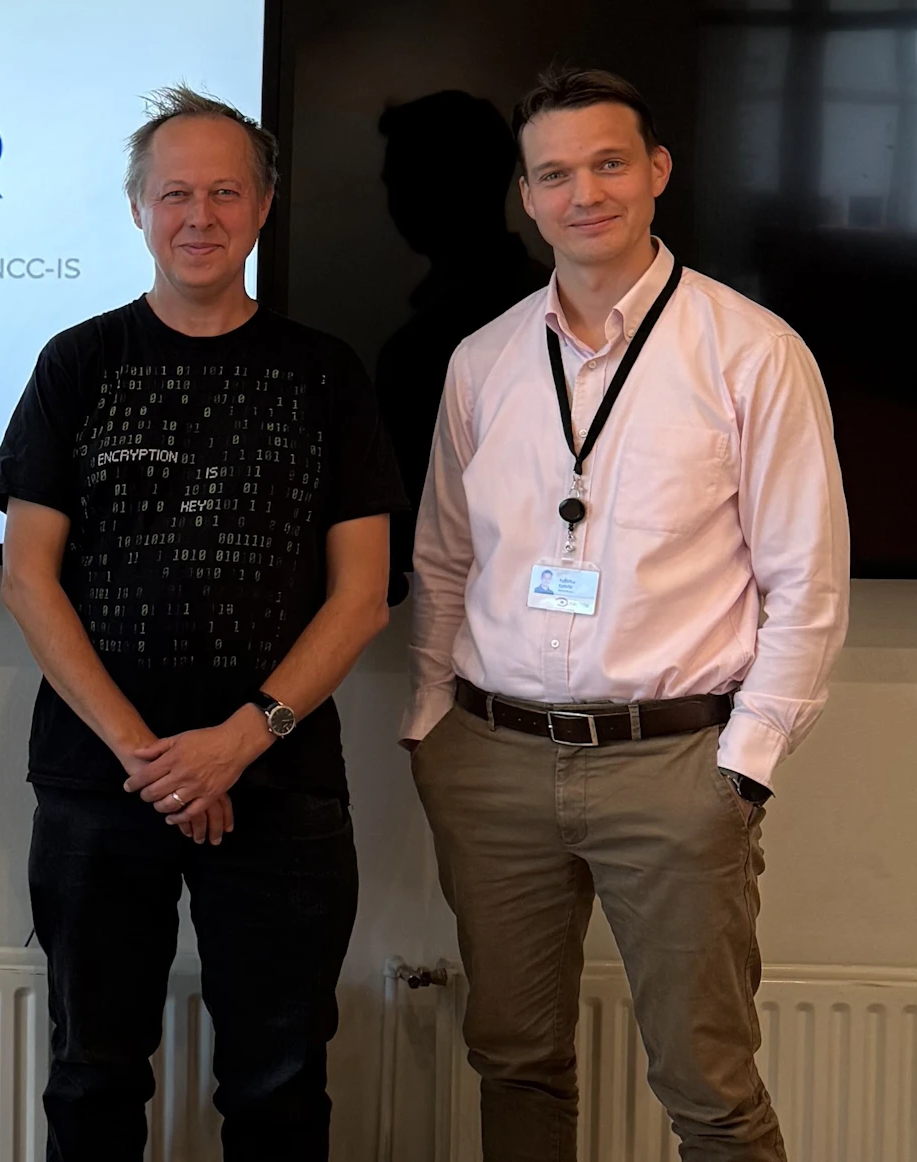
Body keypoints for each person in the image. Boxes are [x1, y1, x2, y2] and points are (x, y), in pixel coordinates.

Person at [405, 68, 849, 1162]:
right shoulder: (482, 361)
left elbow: (807, 582)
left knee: (709, 1090)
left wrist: (744, 765)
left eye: (608, 164)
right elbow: (444, 557)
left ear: (656, 171)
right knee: (514, 1061)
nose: (584, 194)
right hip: (494, 758)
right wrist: (431, 719)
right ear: (525, 197)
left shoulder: (751, 351)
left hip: (676, 764)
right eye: (554, 174)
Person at [0, 87, 406, 1159]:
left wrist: (234, 743)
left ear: (263, 207)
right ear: (138, 208)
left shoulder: (326, 373)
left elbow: (362, 593)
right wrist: (151, 758)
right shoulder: (77, 363)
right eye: (175, 193)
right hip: (101, 781)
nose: (199, 217)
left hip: (280, 778)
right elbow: (29, 580)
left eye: (225, 193)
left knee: (280, 1083)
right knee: (91, 1074)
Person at [374, 90, 551, 575]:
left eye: (402, 182)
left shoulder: (429, 346)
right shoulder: (537, 293)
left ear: (447, 185)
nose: (393, 203)